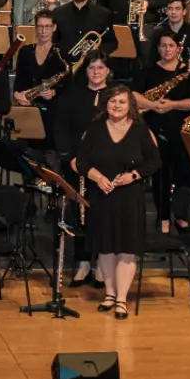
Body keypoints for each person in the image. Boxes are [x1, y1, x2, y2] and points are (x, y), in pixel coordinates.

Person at [73, 84, 160, 320]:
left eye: (122, 101)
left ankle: (121, 299)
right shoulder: (95, 129)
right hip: (102, 195)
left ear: (130, 105)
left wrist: (132, 176)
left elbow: (154, 162)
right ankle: (109, 295)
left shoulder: (140, 130)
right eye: (112, 101)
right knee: (106, 248)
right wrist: (98, 177)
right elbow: (80, 162)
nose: (117, 106)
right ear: (105, 104)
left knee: (126, 250)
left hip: (129, 197)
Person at [55, 50, 112, 286]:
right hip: (78, 164)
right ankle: (83, 263)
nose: (96, 72)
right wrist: (70, 157)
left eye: (100, 67)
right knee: (80, 215)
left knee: (103, 215)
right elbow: (61, 128)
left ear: (108, 70)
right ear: (85, 71)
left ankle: (101, 264)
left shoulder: (116, 96)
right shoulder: (73, 96)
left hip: (108, 167)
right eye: (91, 68)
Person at [133, 33, 190, 234]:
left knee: (184, 175)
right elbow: (133, 95)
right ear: (158, 48)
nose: (167, 49)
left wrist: (172, 105)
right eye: (163, 45)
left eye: (171, 45)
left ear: (179, 48)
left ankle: (182, 216)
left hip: (182, 133)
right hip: (154, 133)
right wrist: (152, 104)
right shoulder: (148, 72)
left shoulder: (188, 72)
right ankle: (163, 218)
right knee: (161, 178)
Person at [11, 9, 68, 143]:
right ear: (35, 28)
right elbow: (19, 80)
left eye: (47, 26)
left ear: (54, 28)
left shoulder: (61, 53)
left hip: (52, 109)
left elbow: (68, 84)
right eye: (40, 26)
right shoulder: (25, 51)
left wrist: (54, 92)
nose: (43, 31)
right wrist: (17, 95)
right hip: (28, 107)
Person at [51, 0, 119, 62]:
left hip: (91, 67)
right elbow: (53, 42)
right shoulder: (57, 13)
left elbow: (112, 43)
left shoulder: (103, 14)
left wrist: (96, 52)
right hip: (64, 66)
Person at [146, 0, 190, 65]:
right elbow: (152, 61)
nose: (173, 12)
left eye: (177, 8)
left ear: (184, 11)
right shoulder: (157, 34)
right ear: (166, 11)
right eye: (170, 8)